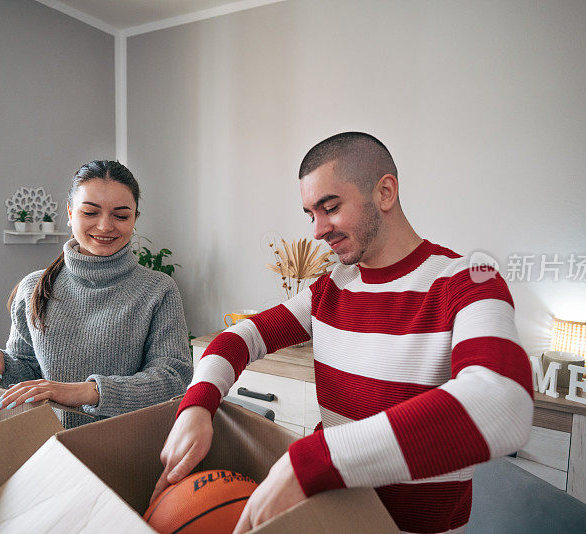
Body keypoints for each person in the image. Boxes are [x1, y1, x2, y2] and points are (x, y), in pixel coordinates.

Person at [153, 132, 534, 534]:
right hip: (330, 519)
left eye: (330, 207)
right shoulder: (332, 287)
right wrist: (197, 406)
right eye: (309, 214)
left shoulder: (467, 281)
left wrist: (314, 460)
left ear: (385, 192)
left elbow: (504, 402)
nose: (317, 230)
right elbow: (239, 338)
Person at [0, 160, 193, 429]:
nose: (104, 226)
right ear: (69, 212)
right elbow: (28, 369)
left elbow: (173, 379)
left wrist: (88, 392)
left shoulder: (158, 289)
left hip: (128, 447)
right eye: (90, 212)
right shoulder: (34, 287)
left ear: (135, 219)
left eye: (121, 216)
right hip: (49, 445)